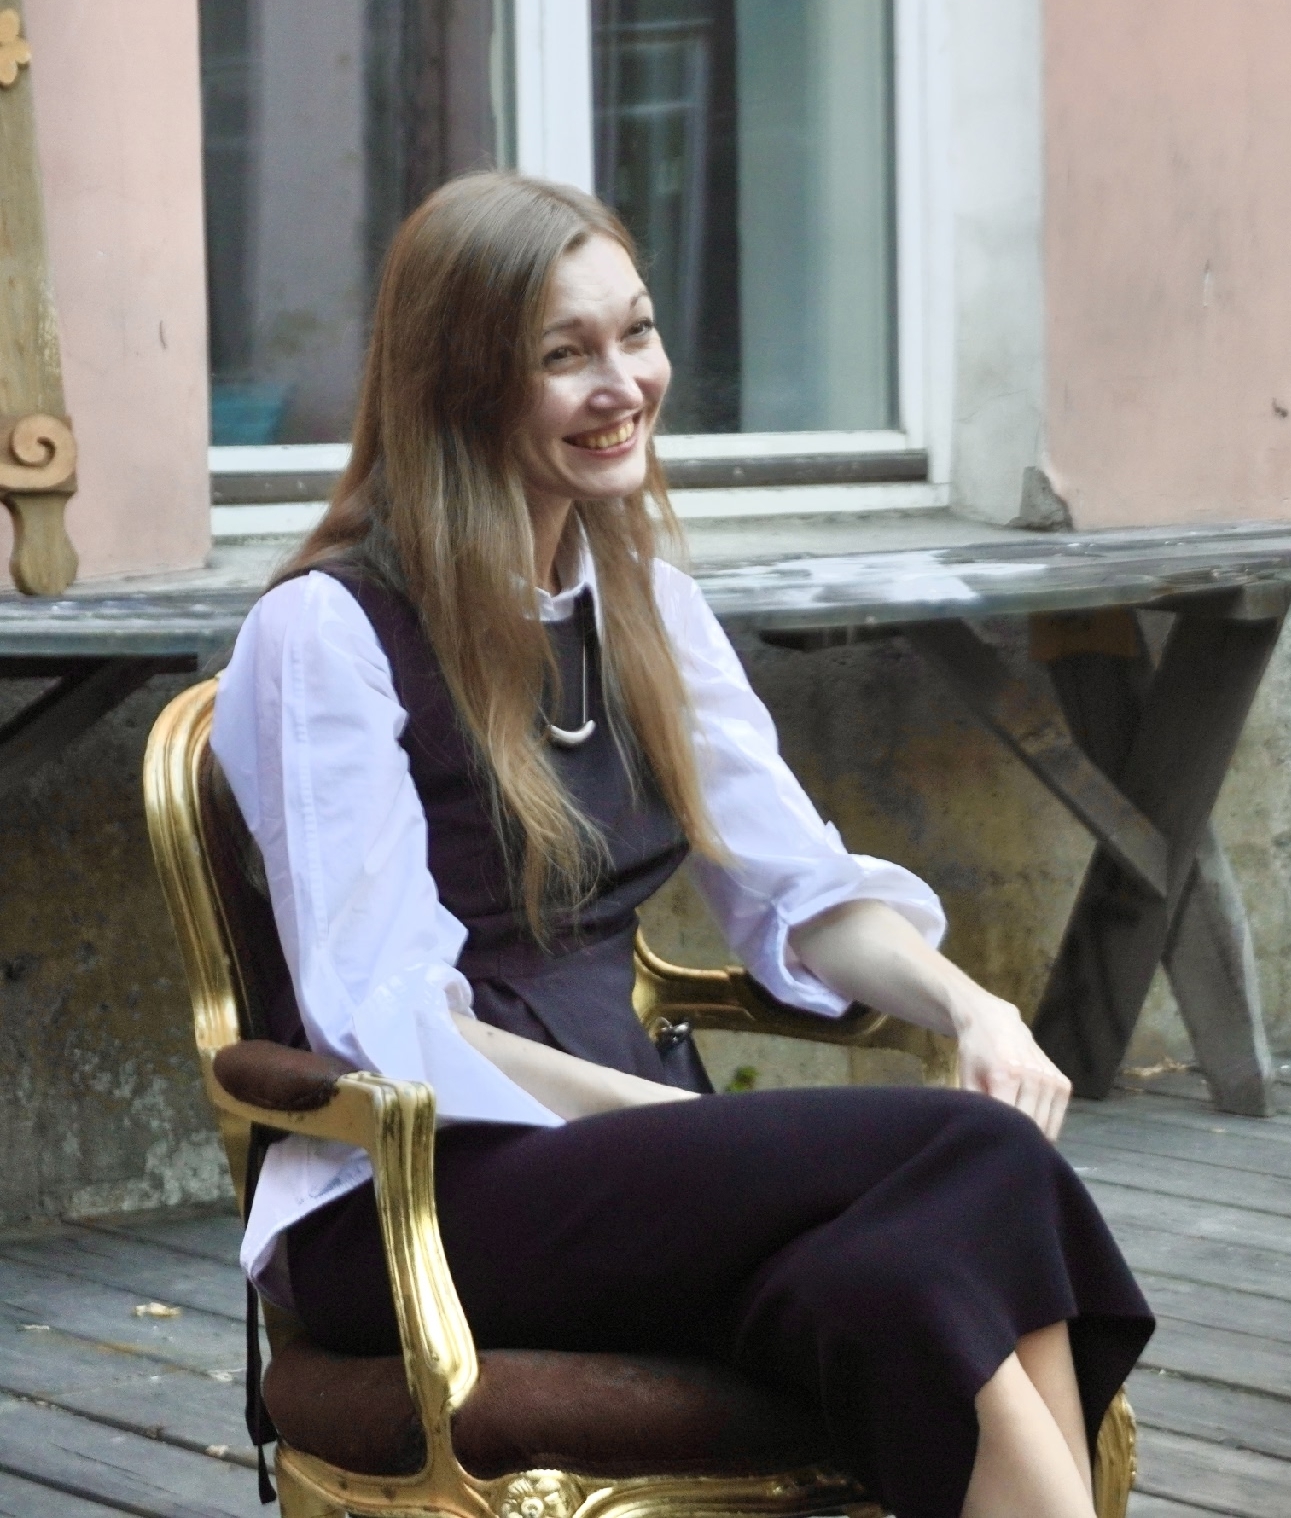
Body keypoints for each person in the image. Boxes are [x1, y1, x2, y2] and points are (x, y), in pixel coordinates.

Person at [213, 171, 1151, 1518]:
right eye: (565, 355)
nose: (624, 385)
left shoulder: (641, 599)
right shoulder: (327, 632)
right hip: (417, 1195)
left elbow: (798, 888)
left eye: (637, 333)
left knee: (915, 1282)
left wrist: (972, 1006)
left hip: (644, 1175)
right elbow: (389, 1025)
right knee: (983, 1153)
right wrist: (686, 1132)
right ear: (459, 383)